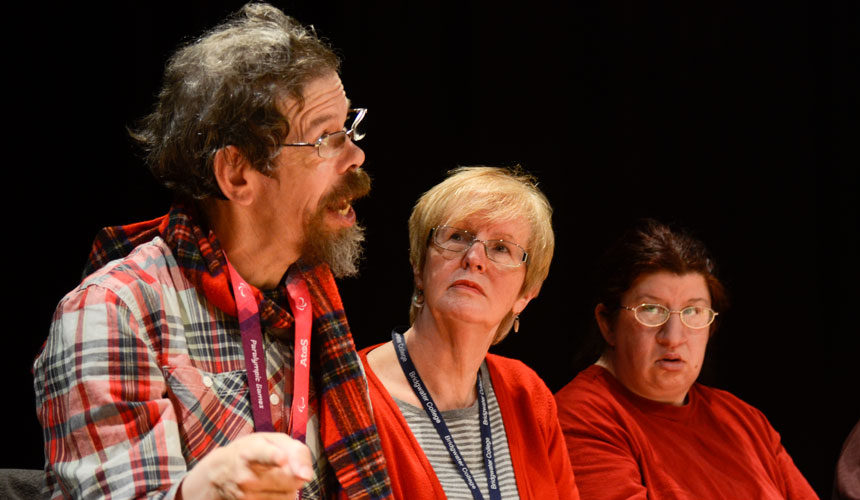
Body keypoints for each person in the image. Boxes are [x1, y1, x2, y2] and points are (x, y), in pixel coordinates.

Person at [32, 4, 391, 499]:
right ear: (237, 175)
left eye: (350, 127)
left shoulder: (309, 298)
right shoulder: (113, 311)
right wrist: (206, 490)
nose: (356, 154)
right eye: (326, 138)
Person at [554, 218, 817, 499]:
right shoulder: (582, 417)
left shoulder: (745, 421)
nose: (673, 337)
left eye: (693, 312)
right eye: (652, 310)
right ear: (607, 323)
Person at [359, 166, 578, 499]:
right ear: (419, 266)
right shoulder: (354, 394)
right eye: (457, 237)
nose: (475, 258)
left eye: (501, 248)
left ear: (525, 294)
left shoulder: (528, 394)